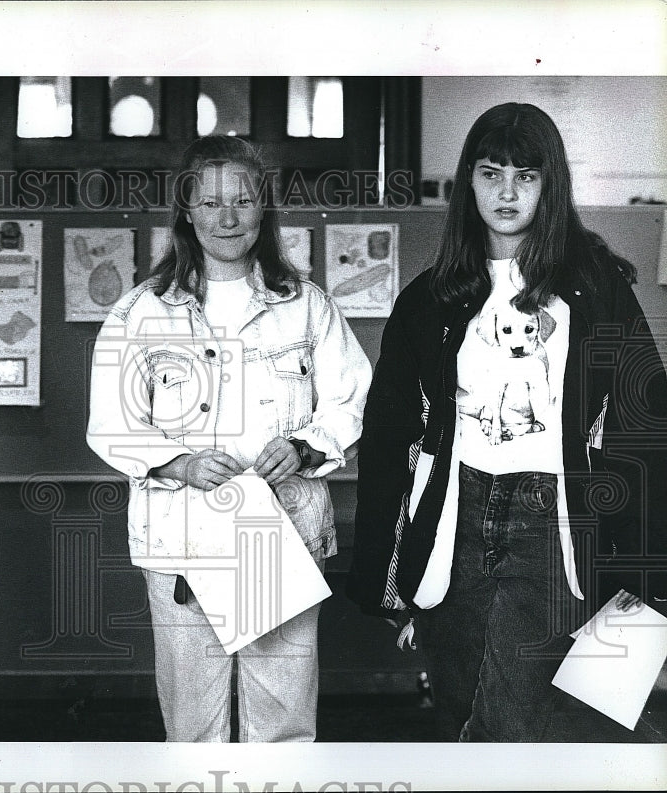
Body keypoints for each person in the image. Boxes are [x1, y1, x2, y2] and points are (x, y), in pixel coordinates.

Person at [346, 103, 667, 742]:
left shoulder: (595, 285)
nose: (507, 193)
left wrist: (648, 569)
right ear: (468, 180)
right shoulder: (430, 297)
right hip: (455, 515)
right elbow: (388, 434)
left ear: (552, 186)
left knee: (513, 718)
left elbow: (644, 422)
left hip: (554, 517)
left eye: (527, 177)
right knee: (462, 703)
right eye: (492, 174)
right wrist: (384, 567)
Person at [87, 135, 371, 742]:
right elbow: (110, 422)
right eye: (210, 202)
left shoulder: (308, 308)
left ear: (263, 209)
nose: (227, 217)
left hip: (283, 535)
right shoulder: (140, 313)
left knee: (284, 720)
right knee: (193, 724)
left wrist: (306, 446)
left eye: (242, 200)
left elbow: (352, 399)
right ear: (185, 209)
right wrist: (177, 463)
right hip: (181, 540)